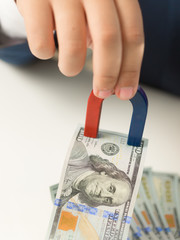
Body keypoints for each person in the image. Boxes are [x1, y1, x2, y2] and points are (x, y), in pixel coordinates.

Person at [55, 141, 132, 208]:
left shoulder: (62, 200)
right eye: (110, 188)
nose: (102, 195)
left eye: (107, 200)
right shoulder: (77, 153)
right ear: (105, 173)